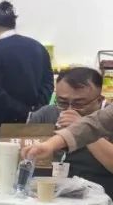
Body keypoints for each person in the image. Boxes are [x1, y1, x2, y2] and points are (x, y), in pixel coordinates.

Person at [0, 1, 54, 154]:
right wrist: (35, 111)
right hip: (33, 125)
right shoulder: (38, 47)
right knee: (30, 160)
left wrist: (22, 111)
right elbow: (48, 84)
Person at [27, 67, 113, 197]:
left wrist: (81, 128)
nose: (70, 109)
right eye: (62, 102)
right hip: (46, 195)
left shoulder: (108, 119)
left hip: (99, 197)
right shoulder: (45, 115)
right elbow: (23, 159)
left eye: (79, 104)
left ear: (99, 100)